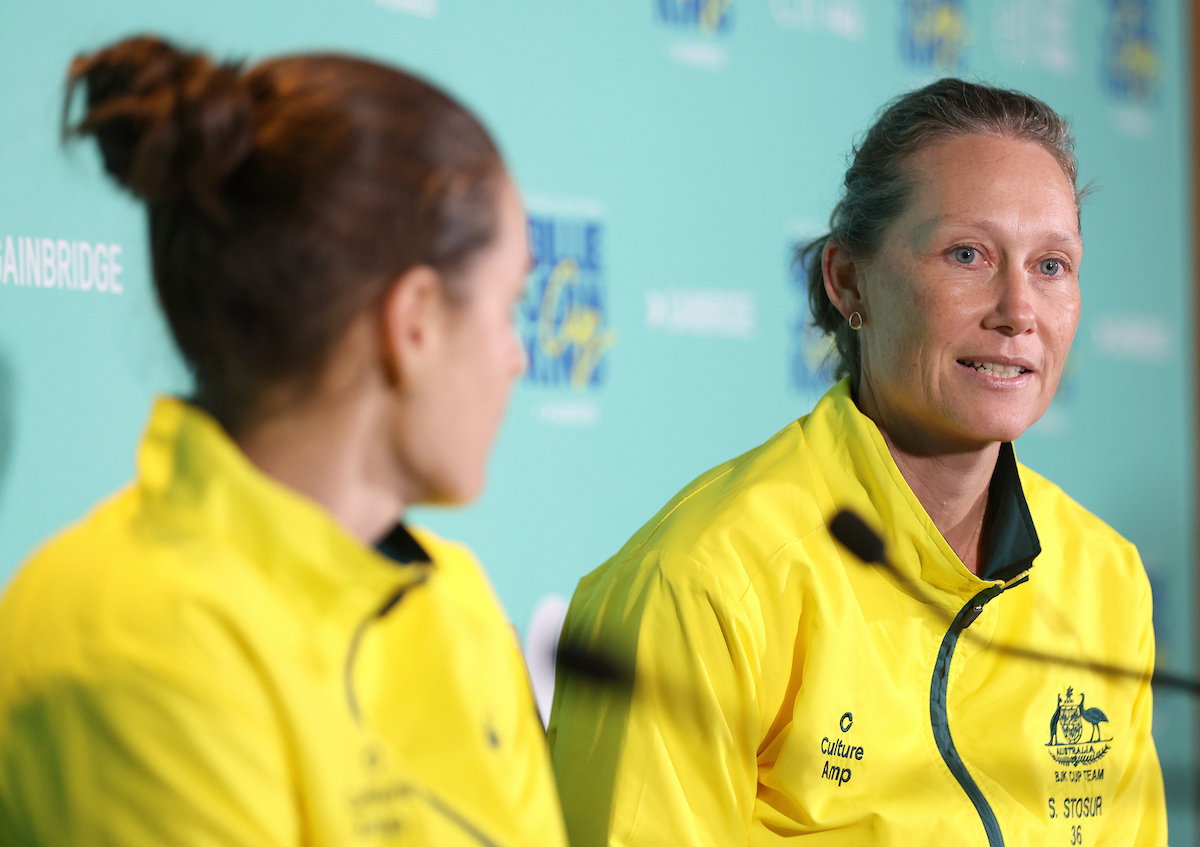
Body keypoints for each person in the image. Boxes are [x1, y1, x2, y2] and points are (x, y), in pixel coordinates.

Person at [548, 78, 1166, 845]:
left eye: (1051, 265)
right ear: (848, 281)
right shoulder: (700, 582)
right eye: (967, 254)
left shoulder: (1106, 577)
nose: (1018, 311)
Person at [0, 36, 566, 847]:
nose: (518, 357)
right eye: (509, 305)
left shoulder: (457, 598)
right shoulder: (129, 632)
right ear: (413, 322)